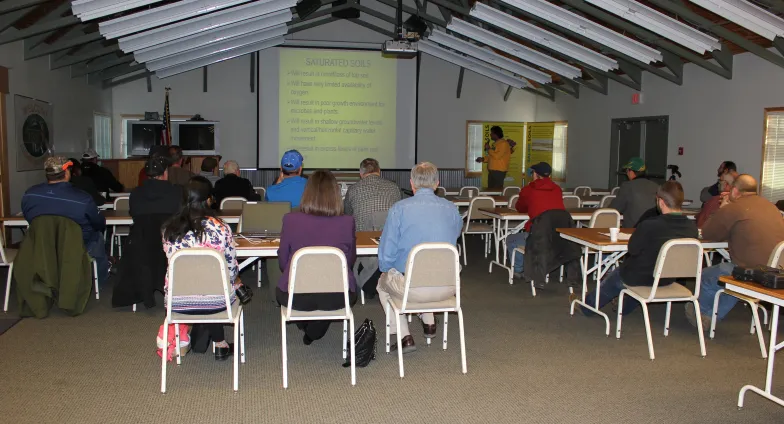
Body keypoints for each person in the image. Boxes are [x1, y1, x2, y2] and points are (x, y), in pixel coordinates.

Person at [571, 181, 697, 316]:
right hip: (668, 279)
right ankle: (623, 308)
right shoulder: (692, 228)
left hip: (640, 277)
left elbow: (633, 249)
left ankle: (587, 307)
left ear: (660, 202)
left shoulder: (649, 225)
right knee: (635, 272)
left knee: (618, 275)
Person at [377, 162, 463, 353]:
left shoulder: (399, 209)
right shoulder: (452, 209)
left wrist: (388, 269)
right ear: (437, 184)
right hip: (447, 288)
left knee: (382, 283)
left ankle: (404, 336)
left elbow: (386, 258)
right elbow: (454, 237)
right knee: (428, 270)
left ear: (411, 183)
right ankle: (429, 321)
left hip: (411, 289)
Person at [162, 176, 245, 360]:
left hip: (177, 302)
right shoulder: (221, 228)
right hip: (217, 302)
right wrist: (237, 281)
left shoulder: (168, 229)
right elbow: (231, 270)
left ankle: (212, 341)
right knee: (216, 285)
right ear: (209, 200)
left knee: (201, 283)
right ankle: (220, 344)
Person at [689, 175, 784, 328]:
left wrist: (722, 209)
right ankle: (713, 315)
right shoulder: (771, 207)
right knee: (730, 273)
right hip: (774, 272)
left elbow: (708, 233)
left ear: (734, 190)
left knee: (707, 275)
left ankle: (704, 315)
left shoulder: (734, 208)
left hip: (751, 272)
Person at [276, 170, 357, 345]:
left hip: (295, 294)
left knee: (306, 298)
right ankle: (314, 329)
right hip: (338, 294)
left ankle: (310, 328)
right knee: (324, 298)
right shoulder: (347, 222)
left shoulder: (290, 220)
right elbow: (349, 262)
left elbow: (283, 262)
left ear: (307, 193)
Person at [22, 157, 109, 284]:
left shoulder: (29, 195)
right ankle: (100, 281)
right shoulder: (83, 199)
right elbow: (99, 223)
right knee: (98, 237)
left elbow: (29, 218)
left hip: (43, 244)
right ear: (67, 173)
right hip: (77, 245)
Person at [344, 158, 402, 298]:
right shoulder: (394, 188)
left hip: (364, 250)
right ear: (379, 171)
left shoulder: (353, 189)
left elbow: (347, 216)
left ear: (361, 173)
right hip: (392, 248)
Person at [507, 162, 564, 278]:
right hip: (556, 236)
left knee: (511, 239)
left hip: (537, 235)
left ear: (535, 174)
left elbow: (520, 207)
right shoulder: (557, 189)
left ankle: (518, 270)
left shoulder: (529, 189)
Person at [610, 157, 659, 228]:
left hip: (632, 231)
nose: (626, 173)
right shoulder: (656, 186)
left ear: (632, 172)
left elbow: (613, 209)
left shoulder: (627, 186)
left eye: (627, 171)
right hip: (653, 229)